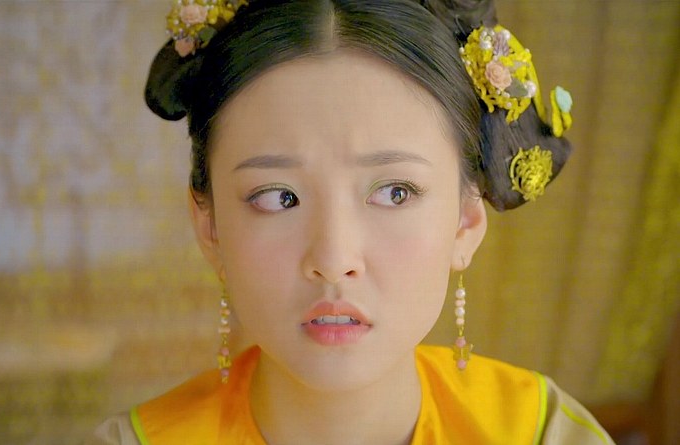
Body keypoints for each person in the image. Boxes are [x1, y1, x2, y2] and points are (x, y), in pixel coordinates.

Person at [86, 0, 610, 443]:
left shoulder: (541, 432)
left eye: (395, 192)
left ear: (466, 221)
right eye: (279, 198)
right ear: (210, 226)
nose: (333, 260)